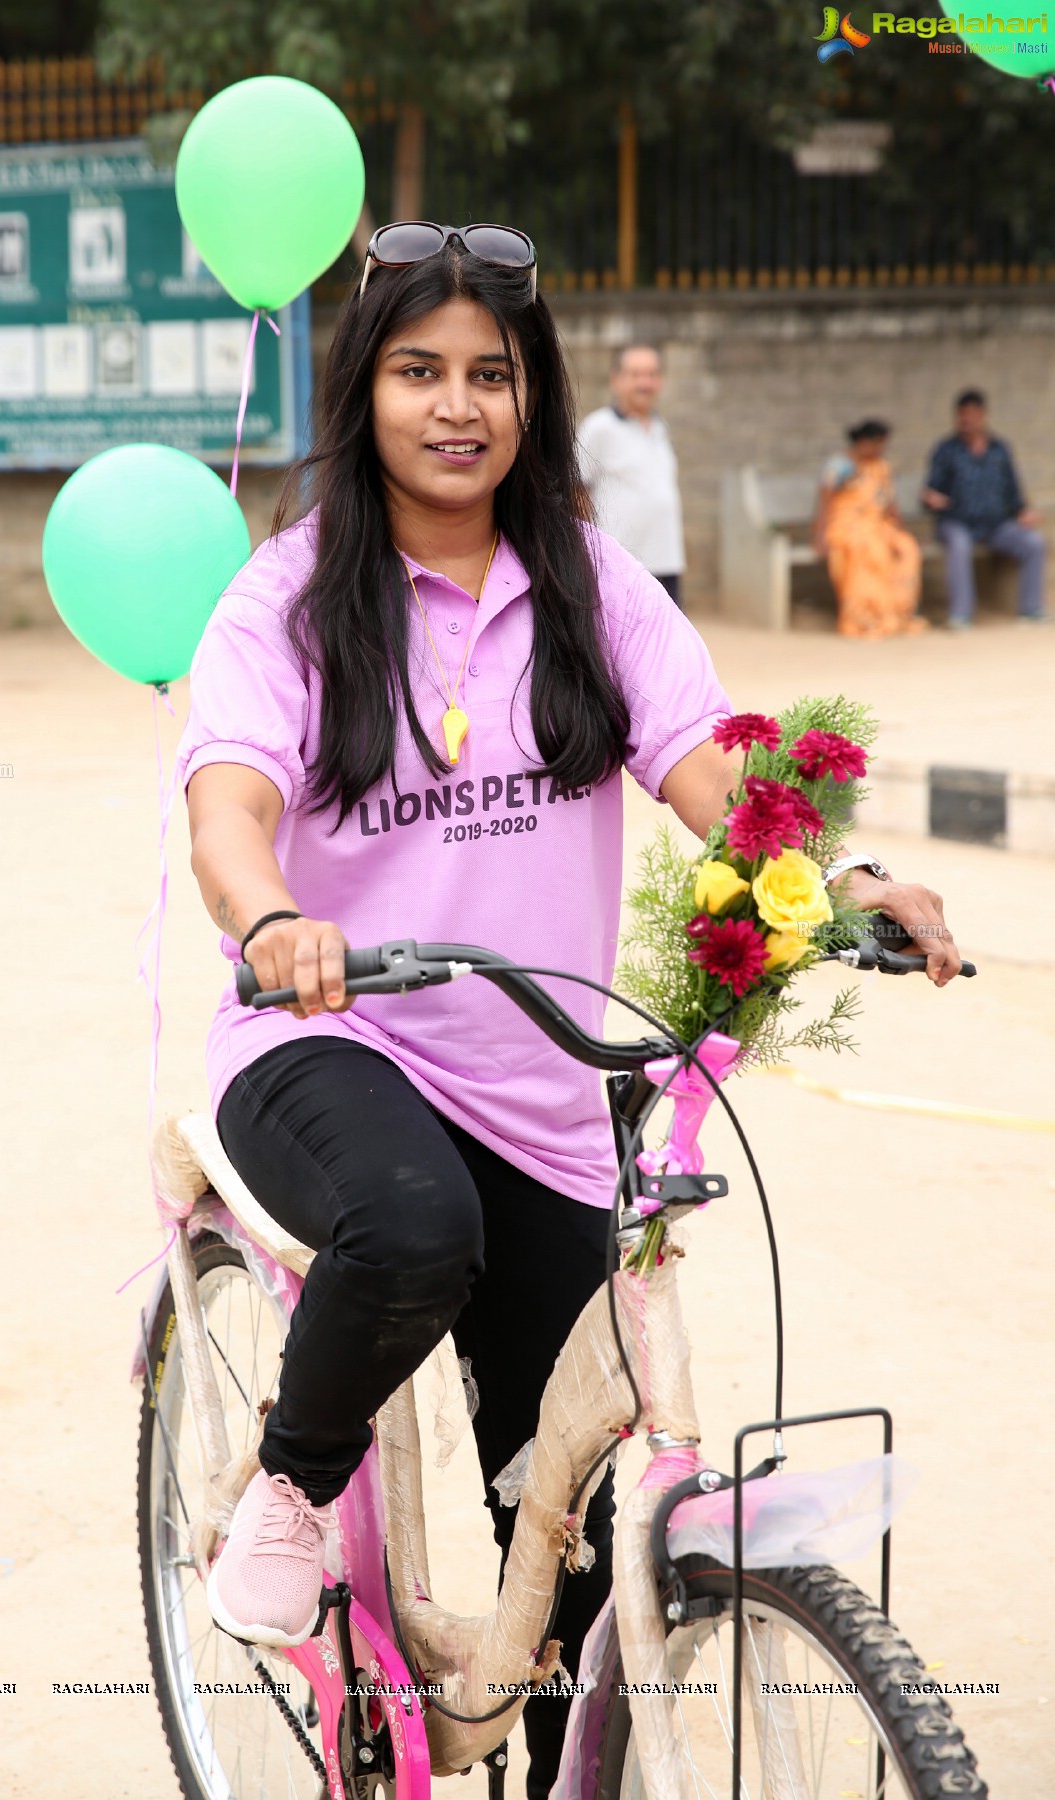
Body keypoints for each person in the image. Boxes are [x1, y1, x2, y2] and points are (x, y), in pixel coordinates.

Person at [175, 221, 964, 1798]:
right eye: (417, 372)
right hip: (329, 1041)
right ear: (365, 392)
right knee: (409, 1227)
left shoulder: (593, 586)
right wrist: (273, 919)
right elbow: (228, 807)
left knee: (587, 1517)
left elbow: (711, 773)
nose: (455, 406)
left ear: (533, 393)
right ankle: (289, 1482)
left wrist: (845, 876)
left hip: (538, 1084)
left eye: (490, 372)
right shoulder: (288, 597)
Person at [921, 388, 1048, 629]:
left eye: (971, 414)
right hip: (955, 522)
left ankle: (1031, 608)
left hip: (995, 525)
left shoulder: (1000, 449)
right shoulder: (946, 450)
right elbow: (930, 490)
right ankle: (961, 614)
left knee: (1034, 542)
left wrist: (1022, 511)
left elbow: (1012, 489)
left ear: (983, 415)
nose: (966, 420)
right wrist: (931, 498)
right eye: (961, 415)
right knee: (959, 544)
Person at [575, 343, 686, 608]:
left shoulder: (660, 427)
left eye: (652, 375)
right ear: (616, 379)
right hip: (621, 566)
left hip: (666, 560)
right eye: (636, 375)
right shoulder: (598, 428)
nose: (645, 383)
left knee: (669, 645)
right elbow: (575, 491)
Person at [814, 420, 926, 639]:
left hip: (878, 525)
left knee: (906, 548)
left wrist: (901, 530)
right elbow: (825, 502)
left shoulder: (881, 467)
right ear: (863, 442)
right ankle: (864, 617)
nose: (880, 450)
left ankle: (897, 611)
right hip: (846, 526)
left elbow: (890, 505)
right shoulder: (840, 466)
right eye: (877, 444)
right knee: (867, 549)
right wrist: (819, 535)